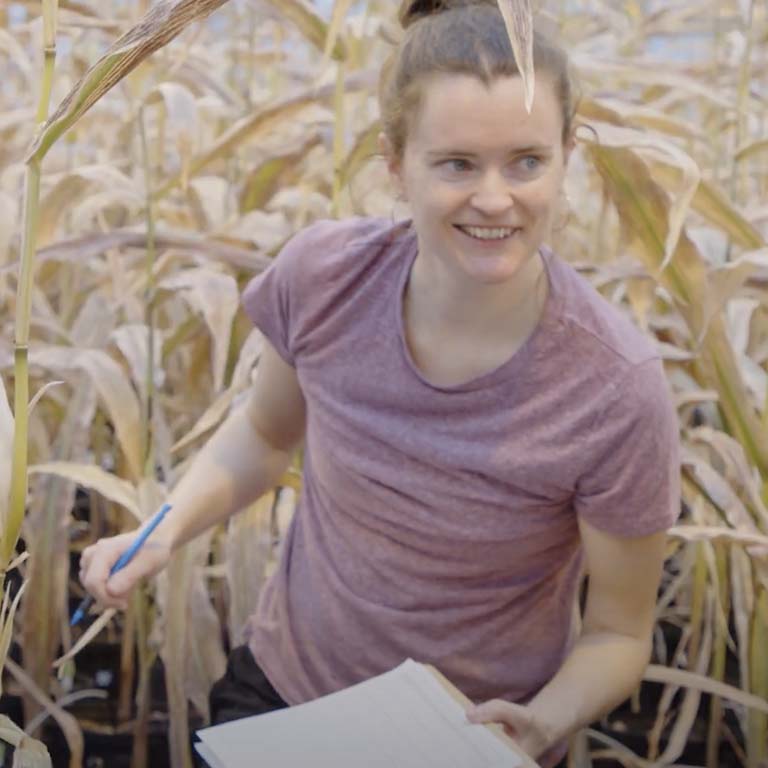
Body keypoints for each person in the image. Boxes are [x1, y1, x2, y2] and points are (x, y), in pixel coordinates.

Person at [78, 1, 681, 766]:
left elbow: (619, 633)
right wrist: (160, 530)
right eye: (457, 163)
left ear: (568, 155)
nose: (495, 198)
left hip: (469, 738)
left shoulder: (613, 388)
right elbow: (266, 436)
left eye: (527, 161)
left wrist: (543, 722)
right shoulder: (326, 276)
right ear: (396, 165)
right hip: (283, 697)